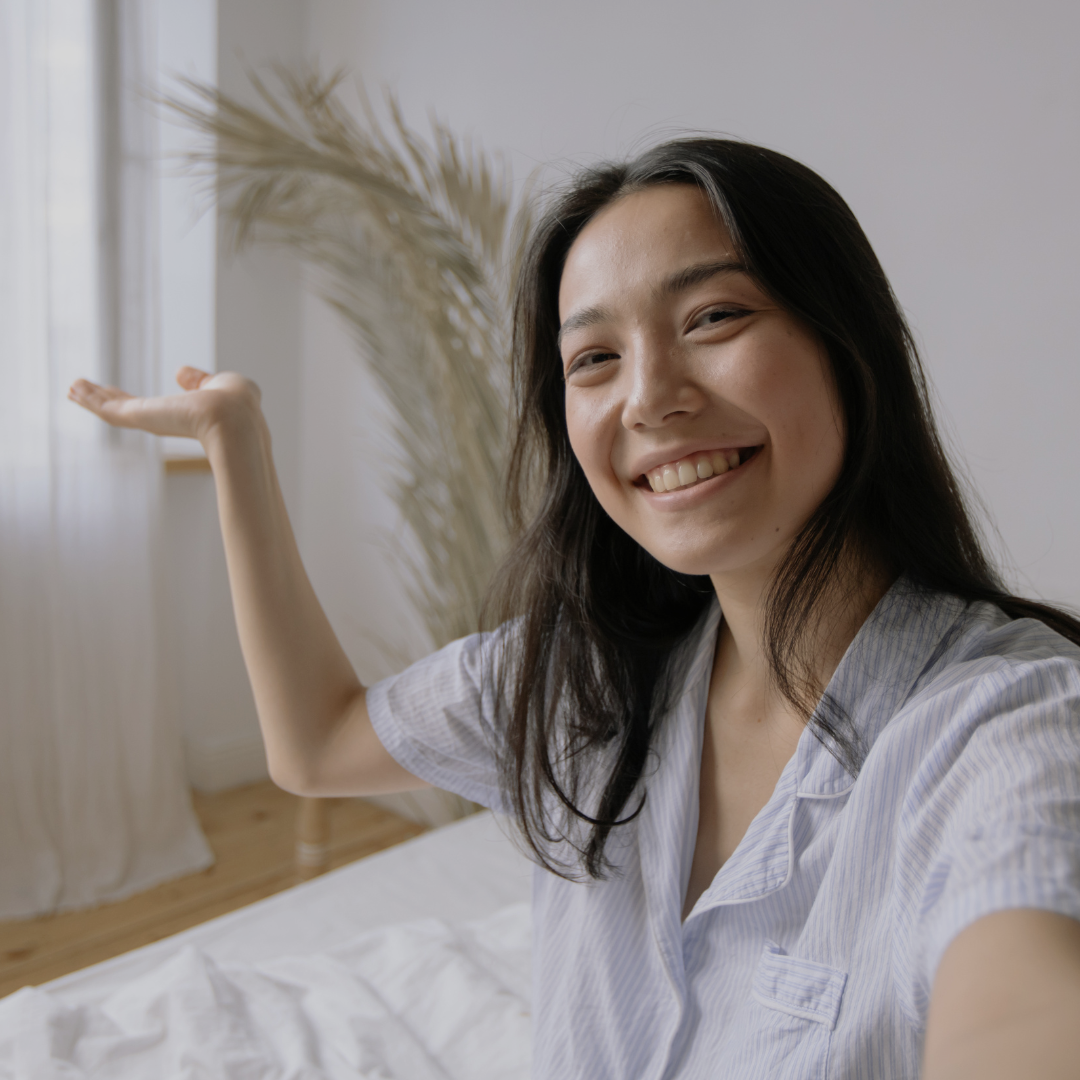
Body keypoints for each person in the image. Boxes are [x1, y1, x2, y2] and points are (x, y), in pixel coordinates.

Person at [70, 138, 1080, 1079]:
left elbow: (1026, 1000)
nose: (648, 398)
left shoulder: (1007, 727)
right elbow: (320, 744)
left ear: (846, 343)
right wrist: (233, 444)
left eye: (713, 318)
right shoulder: (581, 677)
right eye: (594, 359)